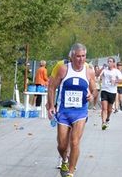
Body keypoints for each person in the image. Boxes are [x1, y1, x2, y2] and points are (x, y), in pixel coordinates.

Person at [47, 43, 97, 177]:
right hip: (63, 111)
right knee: (62, 145)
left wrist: (91, 96)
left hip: (80, 112)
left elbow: (95, 89)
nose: (81, 59)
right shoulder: (64, 69)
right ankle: (64, 159)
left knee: (75, 142)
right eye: (78, 56)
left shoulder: (89, 71)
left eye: (83, 56)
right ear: (72, 56)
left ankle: (71, 171)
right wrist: (51, 106)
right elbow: (51, 87)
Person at [100, 57, 122, 130]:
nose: (109, 63)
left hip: (112, 91)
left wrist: (115, 81)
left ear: (113, 63)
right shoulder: (104, 70)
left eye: (111, 61)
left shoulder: (116, 71)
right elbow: (98, 75)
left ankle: (107, 119)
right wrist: (101, 72)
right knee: (104, 108)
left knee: (109, 110)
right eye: (108, 61)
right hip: (104, 90)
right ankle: (103, 123)